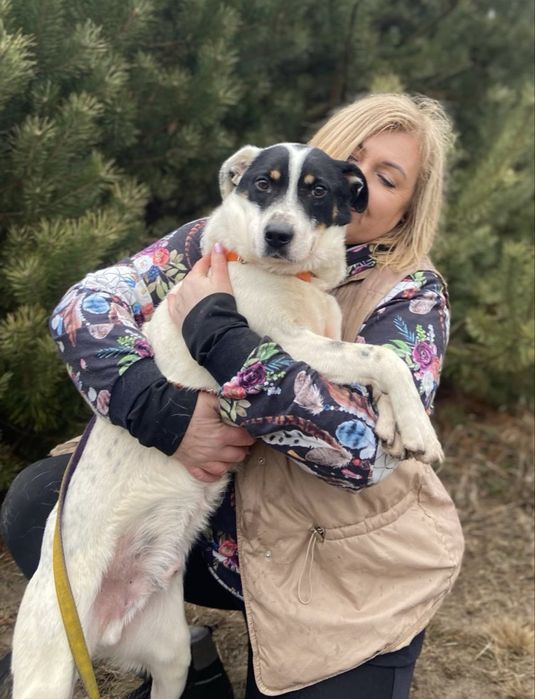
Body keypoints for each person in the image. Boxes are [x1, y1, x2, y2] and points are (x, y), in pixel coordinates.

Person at [0, 93, 463, 699]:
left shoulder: (412, 294)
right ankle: (187, 666)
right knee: (39, 501)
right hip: (219, 531)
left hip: (336, 561)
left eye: (387, 178)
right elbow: (81, 308)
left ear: (408, 204)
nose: (360, 182)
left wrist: (217, 332)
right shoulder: (222, 238)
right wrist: (159, 409)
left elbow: (363, 457)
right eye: (352, 157)